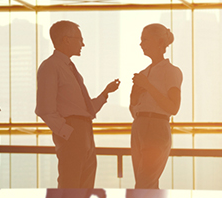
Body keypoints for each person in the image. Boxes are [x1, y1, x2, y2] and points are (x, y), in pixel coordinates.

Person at [36, 20, 121, 189]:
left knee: (86, 185)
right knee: (71, 184)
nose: (83, 44)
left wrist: (105, 94)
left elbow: (84, 110)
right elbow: (44, 109)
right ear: (66, 40)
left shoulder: (69, 68)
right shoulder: (51, 66)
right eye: (79, 39)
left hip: (84, 130)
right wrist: (68, 132)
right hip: (73, 131)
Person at [129, 23, 182, 189]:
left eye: (145, 39)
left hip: (157, 127)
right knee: (144, 183)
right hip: (139, 126)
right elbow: (134, 110)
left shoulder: (171, 71)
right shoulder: (143, 73)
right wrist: (135, 96)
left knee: (145, 182)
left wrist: (148, 86)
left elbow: (173, 108)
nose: (141, 44)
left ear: (159, 42)